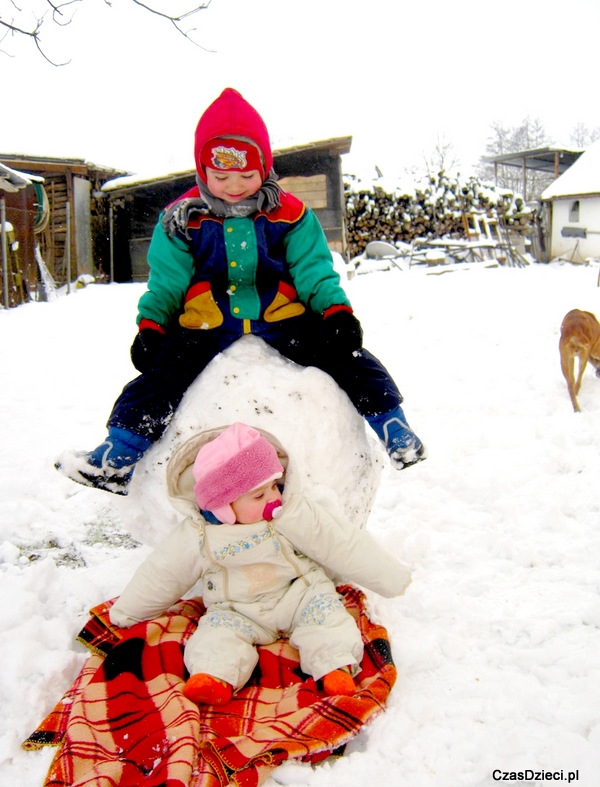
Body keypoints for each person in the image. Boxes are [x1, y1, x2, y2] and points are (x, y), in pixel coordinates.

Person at [55, 87, 425, 495]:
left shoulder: (291, 214)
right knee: (162, 377)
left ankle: (394, 427)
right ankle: (117, 457)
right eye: (221, 176)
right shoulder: (181, 220)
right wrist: (152, 325)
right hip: (206, 320)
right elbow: (166, 281)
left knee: (349, 357)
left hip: (282, 315)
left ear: (264, 167)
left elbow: (313, 270)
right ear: (202, 170)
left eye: (247, 176)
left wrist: (335, 312)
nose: (234, 186)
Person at [108, 422, 412, 703]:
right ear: (224, 507)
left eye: (275, 486)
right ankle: (213, 676)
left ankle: (334, 668)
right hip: (238, 608)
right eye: (259, 495)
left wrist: (391, 577)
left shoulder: (292, 514)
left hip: (300, 595)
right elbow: (163, 573)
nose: (273, 498)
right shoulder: (199, 536)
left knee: (327, 619)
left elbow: (341, 543)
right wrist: (127, 613)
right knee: (217, 635)